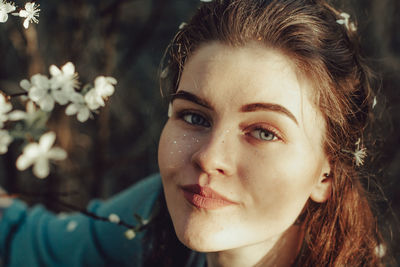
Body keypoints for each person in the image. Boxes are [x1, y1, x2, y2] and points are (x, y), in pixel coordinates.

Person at [0, 0, 390, 266]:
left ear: (327, 172)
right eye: (195, 117)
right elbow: (26, 242)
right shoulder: (157, 214)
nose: (209, 157)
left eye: (264, 132)